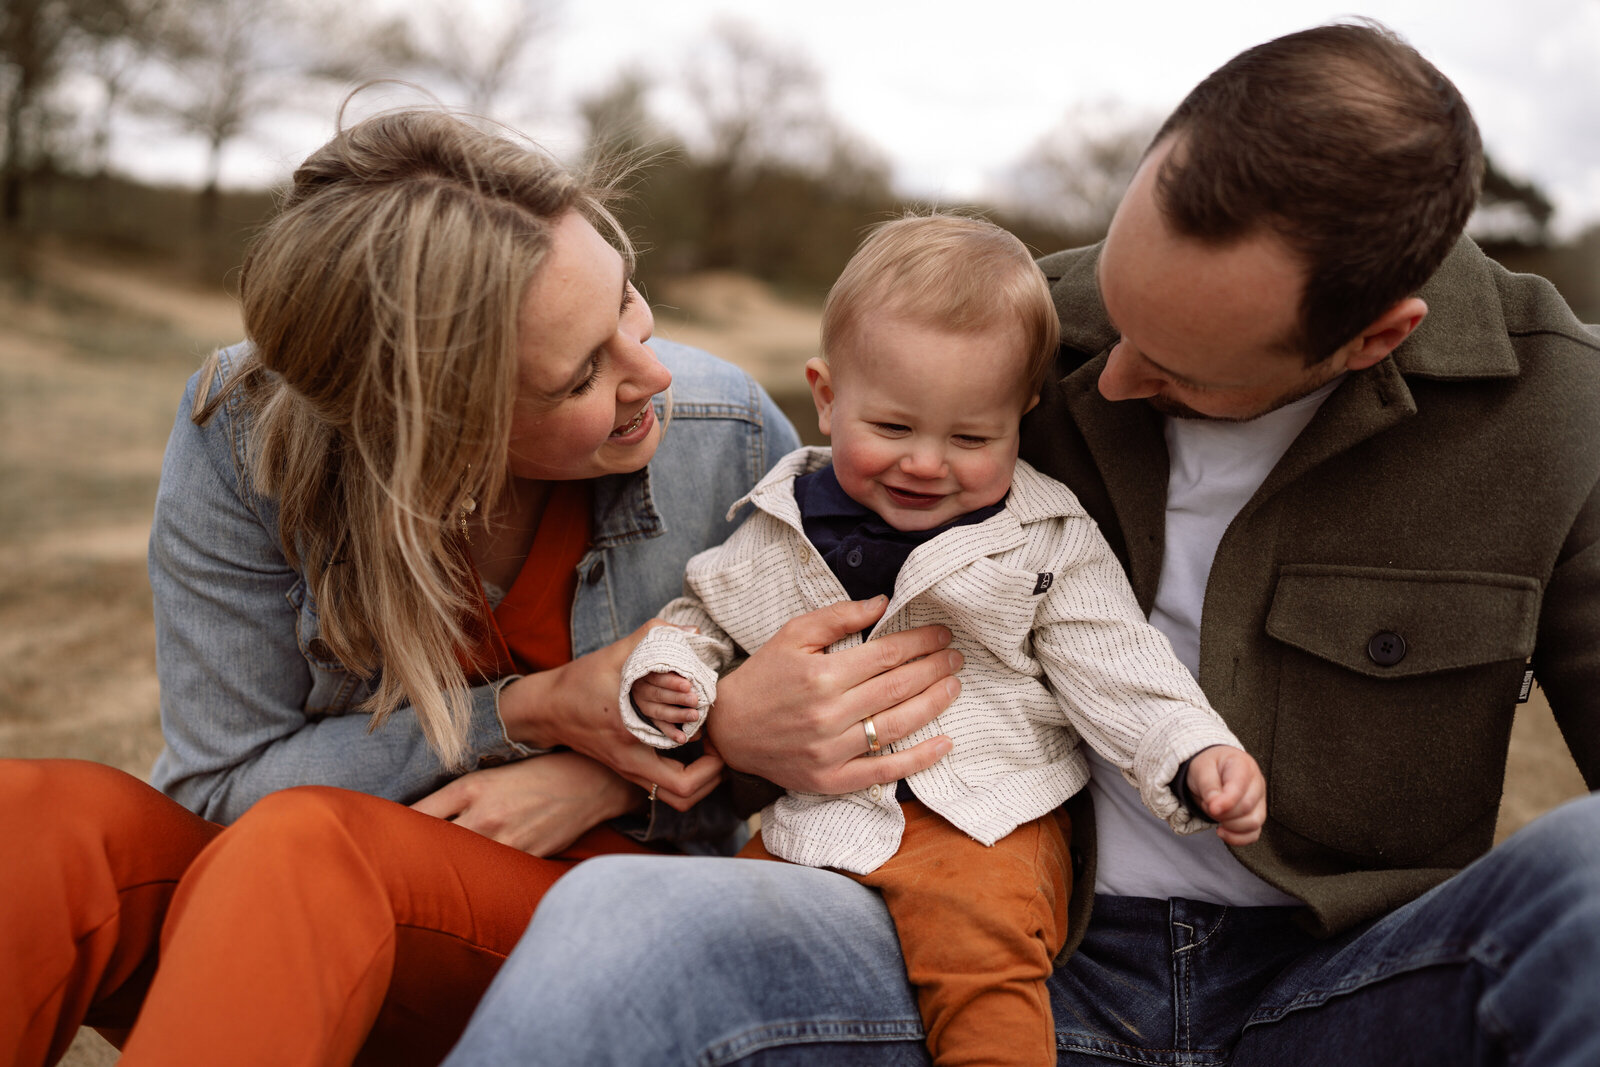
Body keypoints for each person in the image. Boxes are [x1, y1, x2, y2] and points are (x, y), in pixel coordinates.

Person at [440, 20, 1600, 1067]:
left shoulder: (1557, 412)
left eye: (1182, 370)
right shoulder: (1001, 337)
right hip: (1013, 952)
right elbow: (802, 570)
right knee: (624, 920)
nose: (1114, 372)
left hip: (1350, 987)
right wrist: (700, 725)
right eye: (1119, 305)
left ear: (1371, 339)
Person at [0, 106, 825, 1066]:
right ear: (439, 434)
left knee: (311, 846)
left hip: (581, 927)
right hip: (267, 929)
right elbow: (221, 789)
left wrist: (601, 774)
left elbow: (828, 716)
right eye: (580, 375)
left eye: (629, 300)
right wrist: (525, 711)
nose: (654, 373)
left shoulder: (725, 436)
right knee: (39, 824)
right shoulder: (244, 433)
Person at [619, 214, 1264, 1066]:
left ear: (1020, 416)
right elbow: (705, 617)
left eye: (971, 438)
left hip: (986, 817)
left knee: (982, 962)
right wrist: (670, 675)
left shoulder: (1042, 535)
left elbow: (1117, 663)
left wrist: (1191, 750)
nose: (926, 464)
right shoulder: (782, 524)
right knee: (741, 945)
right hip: (823, 816)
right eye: (892, 429)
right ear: (826, 395)